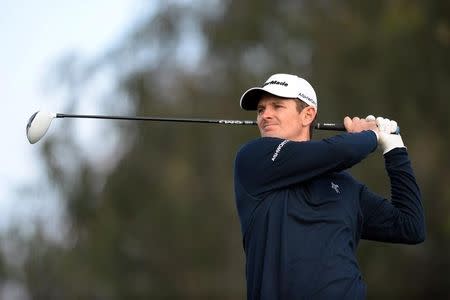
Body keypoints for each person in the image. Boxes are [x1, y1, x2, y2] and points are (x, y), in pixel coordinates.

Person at [233, 73, 425, 299]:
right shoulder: (254, 158)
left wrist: (395, 149)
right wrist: (371, 134)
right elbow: (342, 151)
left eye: (277, 106)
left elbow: (410, 226)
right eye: (260, 110)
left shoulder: (345, 186)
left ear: (307, 115)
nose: (265, 115)